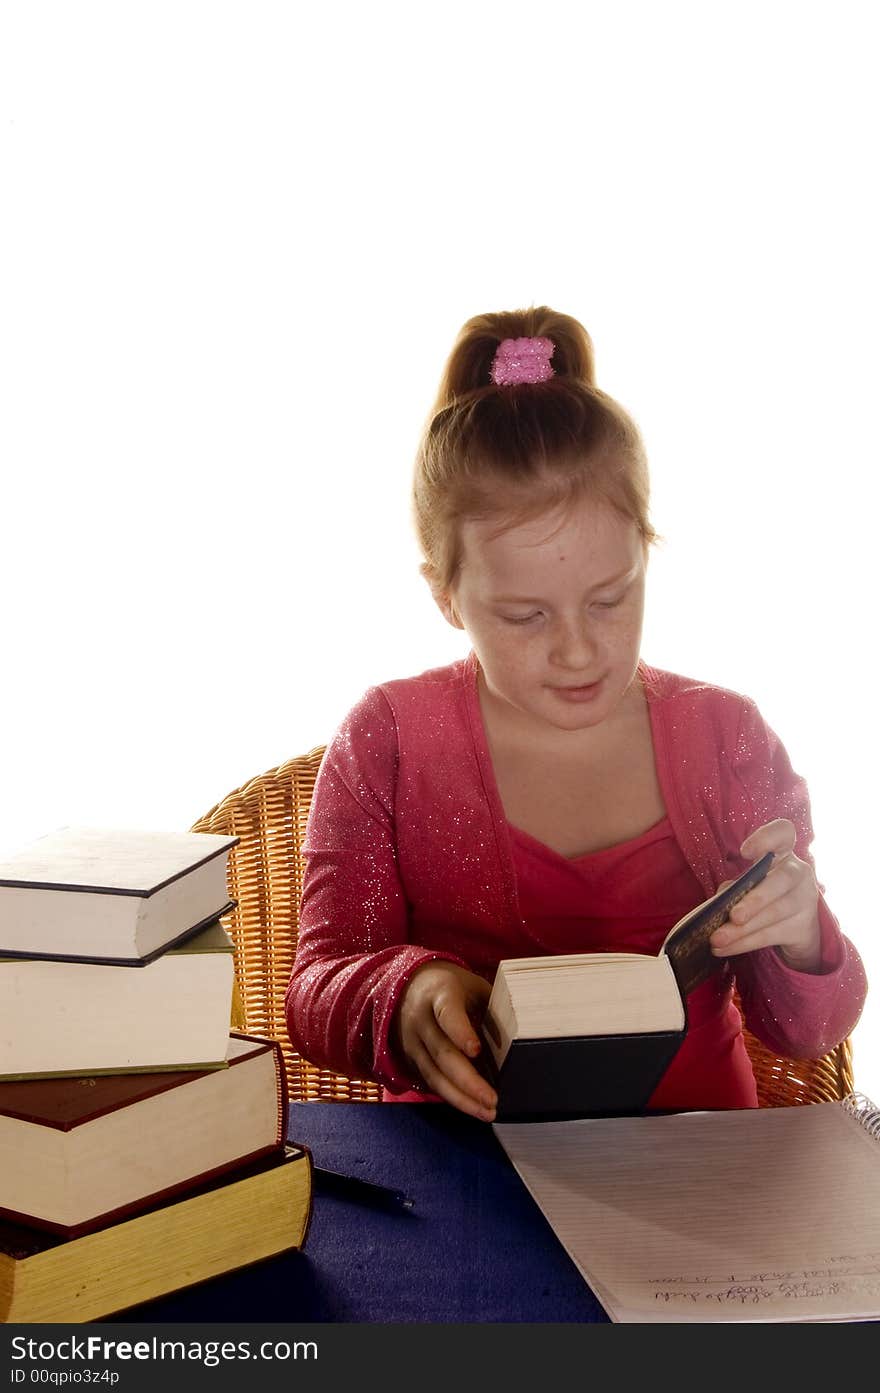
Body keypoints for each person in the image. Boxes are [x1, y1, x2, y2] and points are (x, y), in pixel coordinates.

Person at [284, 306, 867, 1122]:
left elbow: (807, 1032)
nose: (578, 650)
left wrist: (803, 934)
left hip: (700, 1177)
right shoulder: (389, 740)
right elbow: (312, 990)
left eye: (610, 598)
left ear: (645, 555)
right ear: (446, 595)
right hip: (465, 1174)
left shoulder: (726, 738)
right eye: (526, 615)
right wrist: (403, 990)